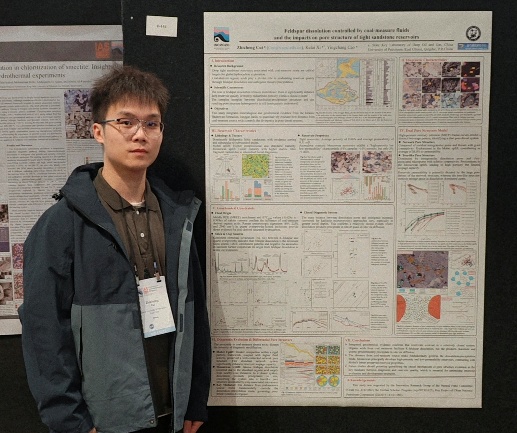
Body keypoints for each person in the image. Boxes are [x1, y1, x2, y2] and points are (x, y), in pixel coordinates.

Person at [19, 65, 211, 433]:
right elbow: (44, 331)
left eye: (151, 123)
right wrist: (71, 421)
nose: (140, 134)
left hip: (173, 412)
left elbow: (194, 312)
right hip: (104, 420)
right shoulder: (62, 223)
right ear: (98, 132)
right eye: (126, 122)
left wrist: (195, 397)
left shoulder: (177, 216)